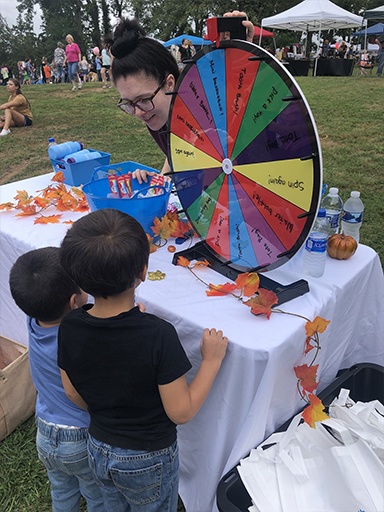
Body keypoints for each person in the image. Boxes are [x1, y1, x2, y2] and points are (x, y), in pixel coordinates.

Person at [58, 209, 228, 512]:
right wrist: (212, 361)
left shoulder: (69, 326)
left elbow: (72, 393)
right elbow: (182, 411)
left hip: (98, 446)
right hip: (148, 459)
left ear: (76, 278)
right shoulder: (158, 335)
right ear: (143, 271)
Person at [9, 247, 105, 512]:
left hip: (46, 432)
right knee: (96, 493)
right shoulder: (79, 339)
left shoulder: (33, 319)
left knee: (62, 489)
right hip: (79, 436)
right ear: (75, 301)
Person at [111, 12, 254, 183]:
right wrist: (160, 182)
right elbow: (176, 150)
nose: (138, 113)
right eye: (129, 103)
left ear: (169, 83)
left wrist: (240, 54)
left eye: (143, 99)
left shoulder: (209, 107)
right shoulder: (155, 113)